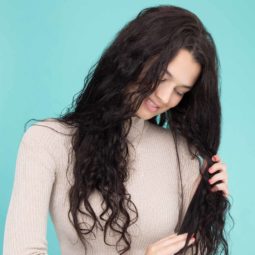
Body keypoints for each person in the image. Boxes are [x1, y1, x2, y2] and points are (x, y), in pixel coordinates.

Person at [3, 4, 230, 255]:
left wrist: (208, 206)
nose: (165, 97)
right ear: (132, 59)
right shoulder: (48, 142)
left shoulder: (182, 154)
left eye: (180, 91)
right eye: (162, 77)